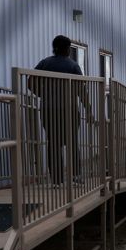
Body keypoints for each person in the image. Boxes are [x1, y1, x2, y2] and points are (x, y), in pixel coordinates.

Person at [33, 35, 85, 186]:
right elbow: (81, 90)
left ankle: (56, 180)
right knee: (72, 142)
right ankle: (75, 176)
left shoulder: (44, 63)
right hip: (69, 111)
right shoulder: (73, 66)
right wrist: (88, 110)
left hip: (48, 110)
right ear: (68, 48)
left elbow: (30, 81)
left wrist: (42, 94)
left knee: (53, 143)